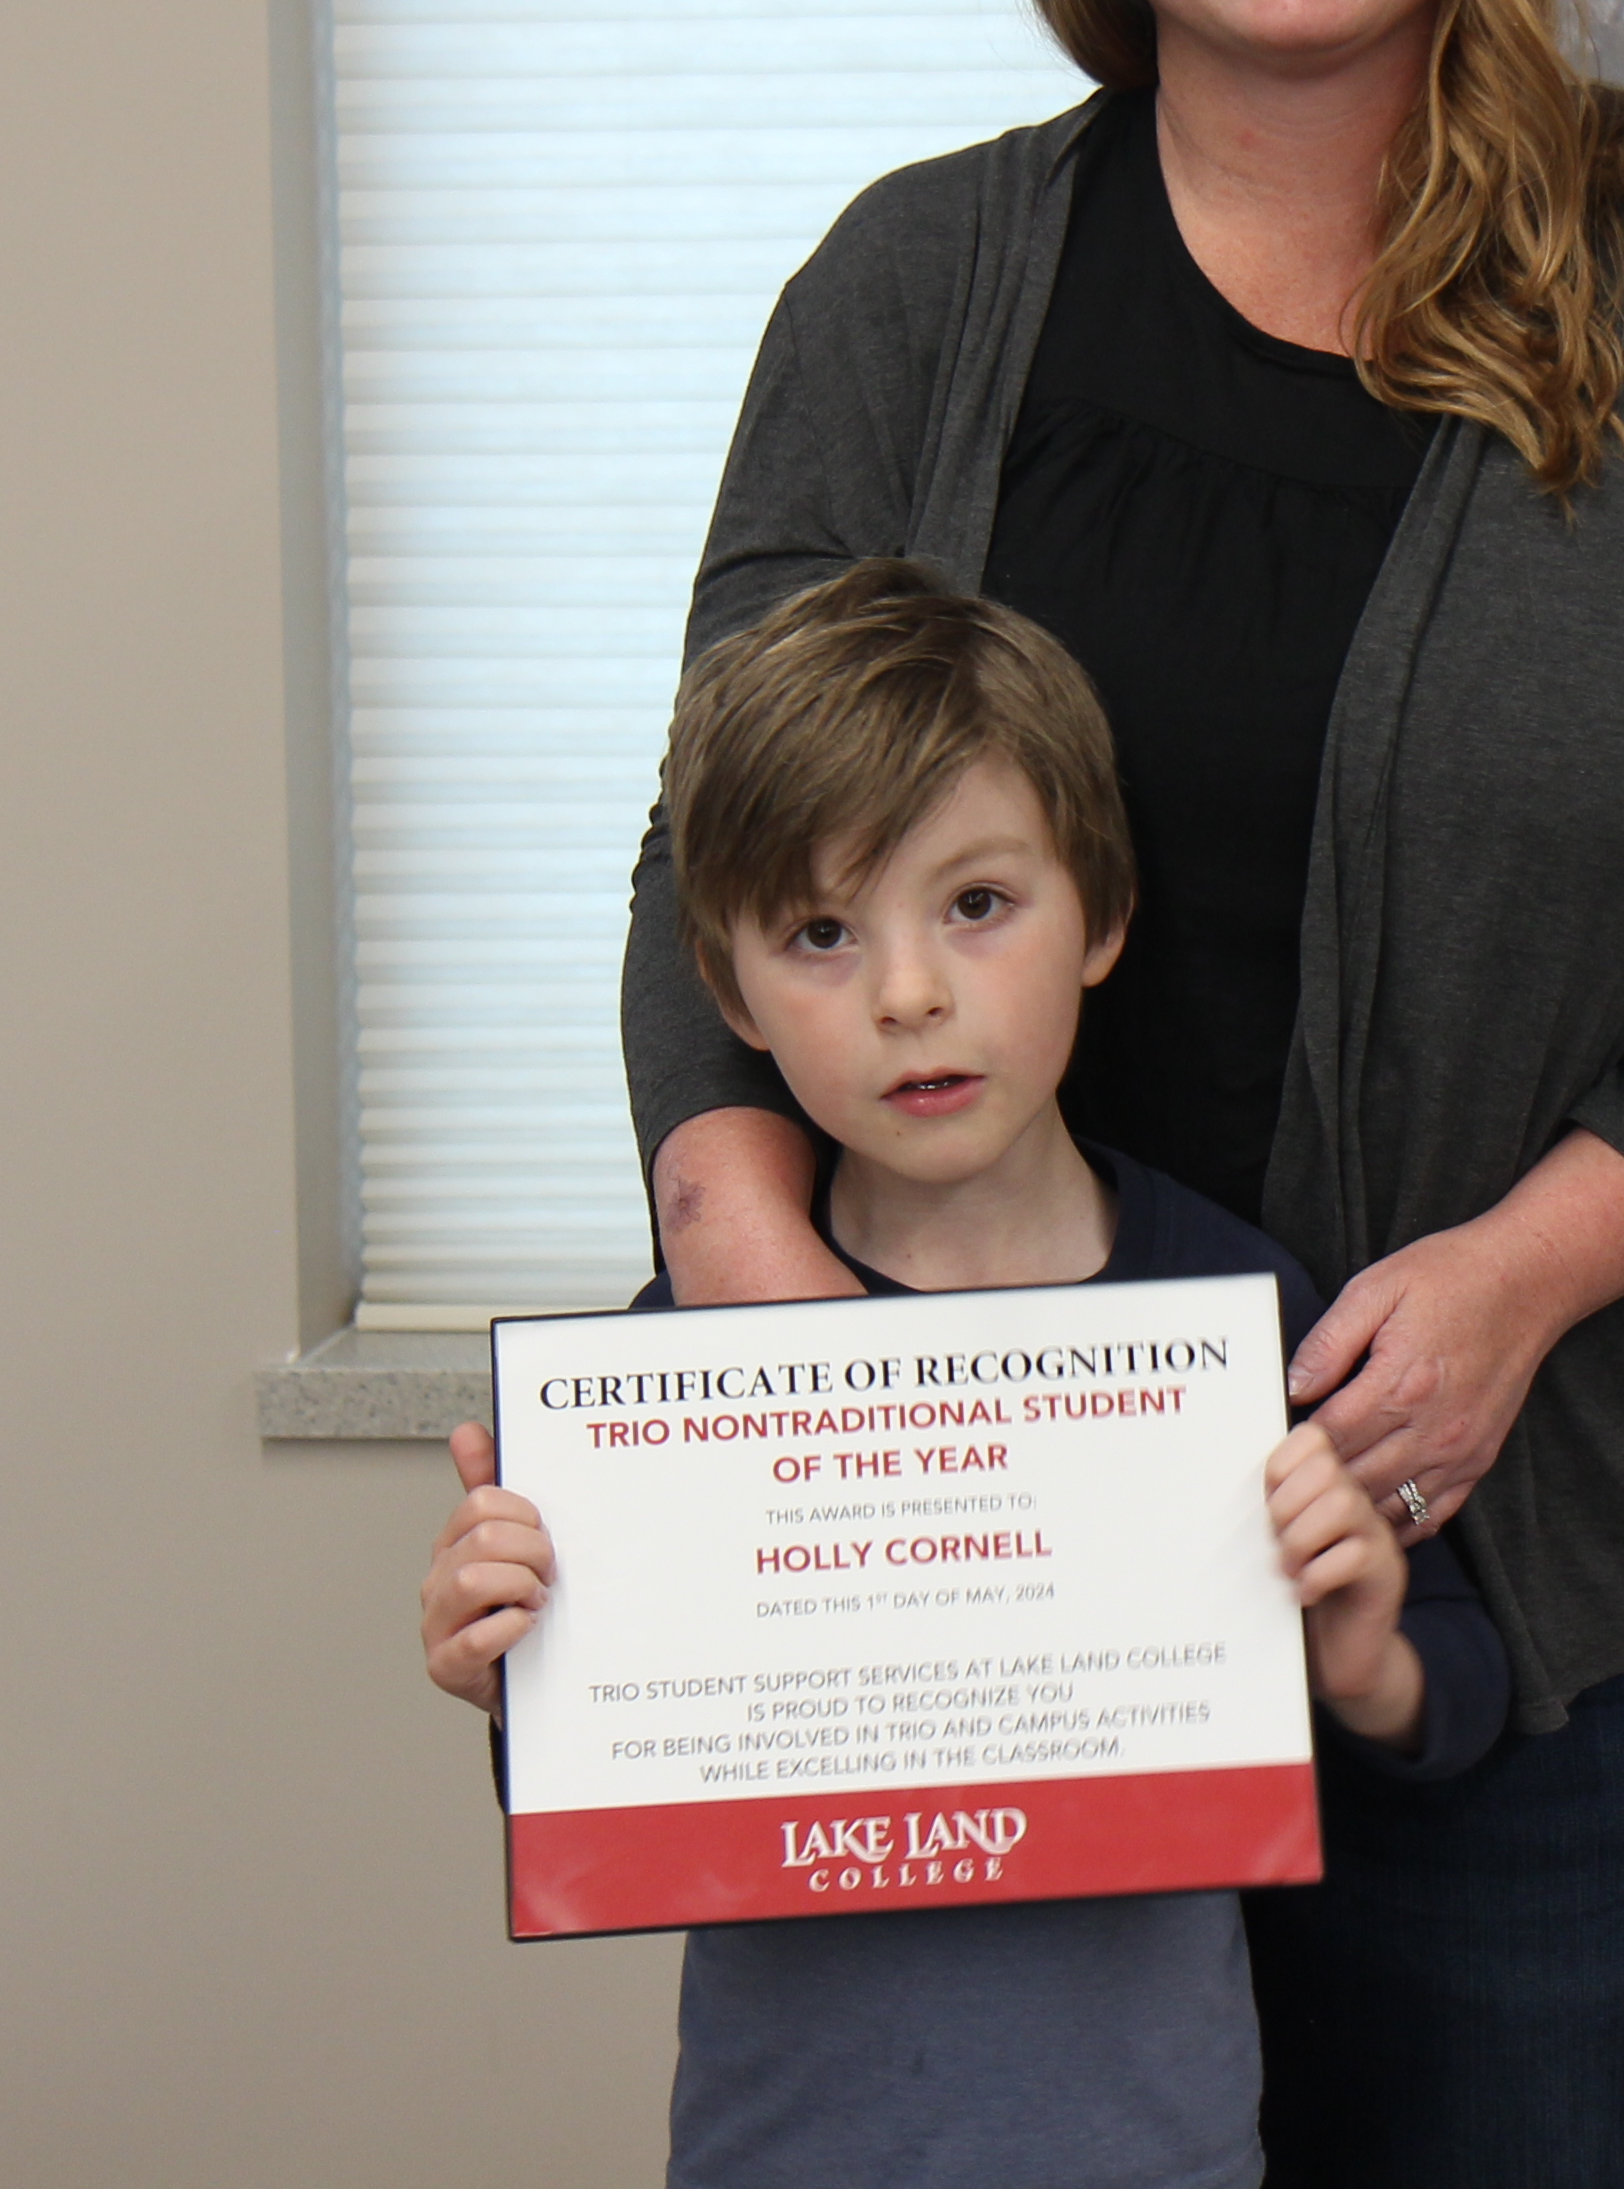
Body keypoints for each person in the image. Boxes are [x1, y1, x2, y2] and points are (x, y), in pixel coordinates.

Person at [617, 0, 1624, 2186]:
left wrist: (1512, 1292)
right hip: (989, 1592)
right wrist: (761, 1296)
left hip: (1517, 1597)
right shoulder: (913, 294)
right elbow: (719, 844)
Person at [425, 559, 1507, 2189]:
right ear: (726, 992)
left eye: (977, 905)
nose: (910, 992)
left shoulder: (1229, 1306)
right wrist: (504, 1655)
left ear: (1105, 915)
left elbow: (1454, 1677)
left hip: (1165, 2158)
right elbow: (601, 1773)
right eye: (819, 932)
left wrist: (1362, 1657)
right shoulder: (680, 1372)